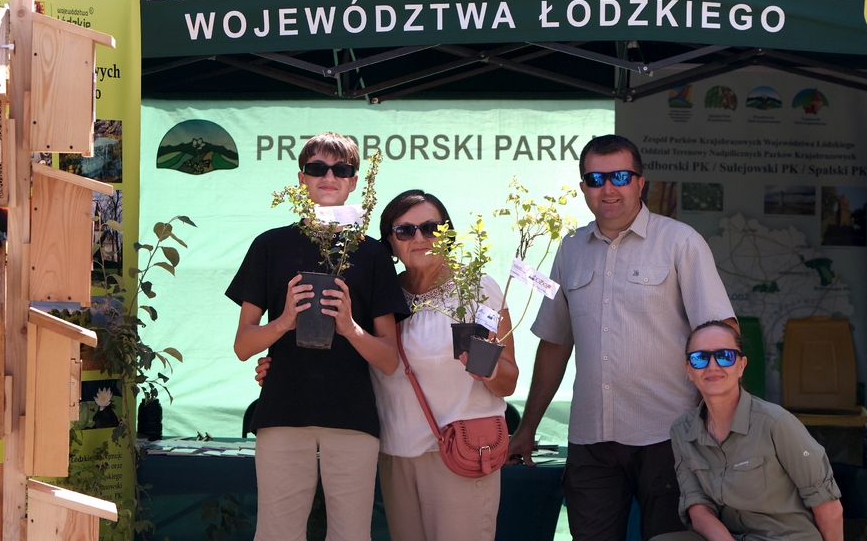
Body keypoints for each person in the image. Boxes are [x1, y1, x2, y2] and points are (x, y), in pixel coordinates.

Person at [506, 134, 738, 541]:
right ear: (583, 187)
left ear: (640, 182)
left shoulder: (680, 242)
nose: (608, 188)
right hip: (591, 439)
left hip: (670, 435)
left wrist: (719, 424)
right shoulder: (570, 249)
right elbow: (555, 343)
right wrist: (527, 428)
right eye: (595, 179)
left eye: (620, 176)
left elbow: (721, 336)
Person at [257, 189, 519, 541]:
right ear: (390, 244)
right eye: (405, 230)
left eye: (431, 228)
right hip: (395, 452)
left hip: (460, 450)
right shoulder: (380, 293)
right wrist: (278, 367)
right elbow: (354, 355)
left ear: (448, 234)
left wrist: (488, 369)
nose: (420, 238)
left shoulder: (477, 290)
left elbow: (509, 380)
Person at [226, 132, 408, 541]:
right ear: (301, 178)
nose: (329, 177)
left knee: (351, 534)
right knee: (277, 533)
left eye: (341, 169)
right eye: (317, 168)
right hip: (282, 411)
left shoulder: (373, 254)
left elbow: (389, 359)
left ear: (355, 181)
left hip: (353, 417)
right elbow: (243, 346)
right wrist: (284, 321)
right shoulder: (270, 245)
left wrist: (350, 327)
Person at [653, 320, 842, 541]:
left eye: (725, 356)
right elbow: (698, 507)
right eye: (700, 358)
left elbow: (830, 510)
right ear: (688, 369)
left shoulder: (776, 423)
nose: (712, 366)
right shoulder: (682, 431)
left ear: (741, 366)